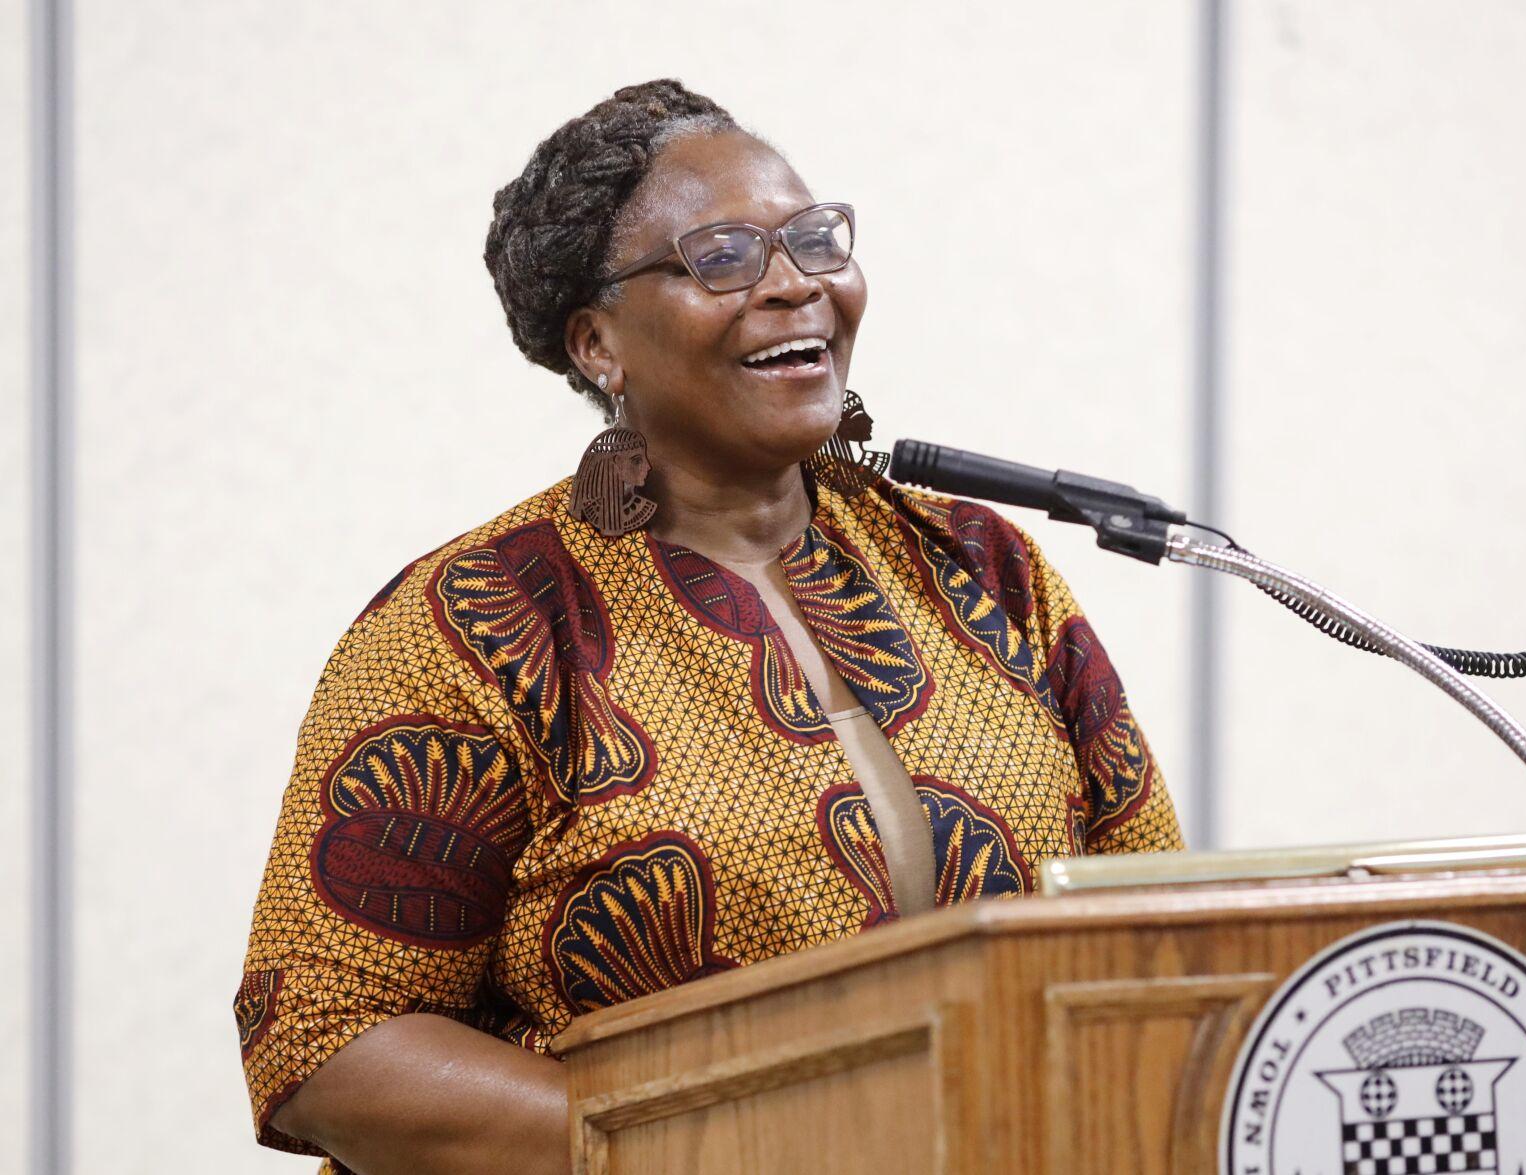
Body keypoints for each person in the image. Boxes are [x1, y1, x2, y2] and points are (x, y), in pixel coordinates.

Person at [235, 78, 1184, 1175]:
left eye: (814, 240)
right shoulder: (475, 625)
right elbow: (333, 1047)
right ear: (598, 342)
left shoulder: (980, 564)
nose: (794, 286)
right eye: (723, 257)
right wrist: (733, 1150)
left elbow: (1147, 919)